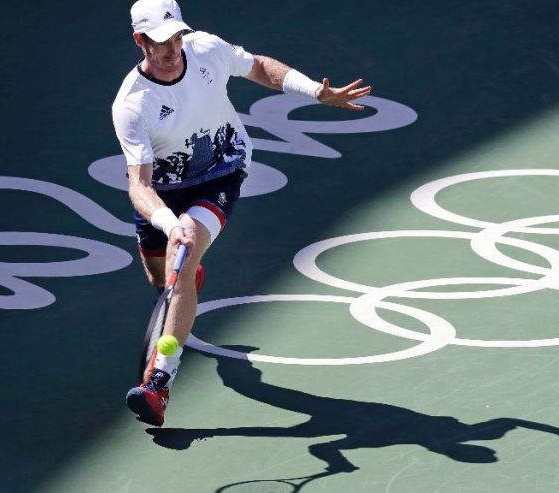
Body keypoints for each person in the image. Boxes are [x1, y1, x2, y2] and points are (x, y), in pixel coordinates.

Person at [112, 0, 371, 427]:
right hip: (163, 196)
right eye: (160, 41)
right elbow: (139, 186)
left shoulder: (206, 50)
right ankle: (187, 278)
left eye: (176, 35)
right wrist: (168, 223)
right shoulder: (132, 105)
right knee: (163, 277)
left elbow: (259, 67)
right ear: (140, 41)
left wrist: (315, 91)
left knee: (183, 264)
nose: (172, 47)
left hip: (221, 171)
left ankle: (160, 382)